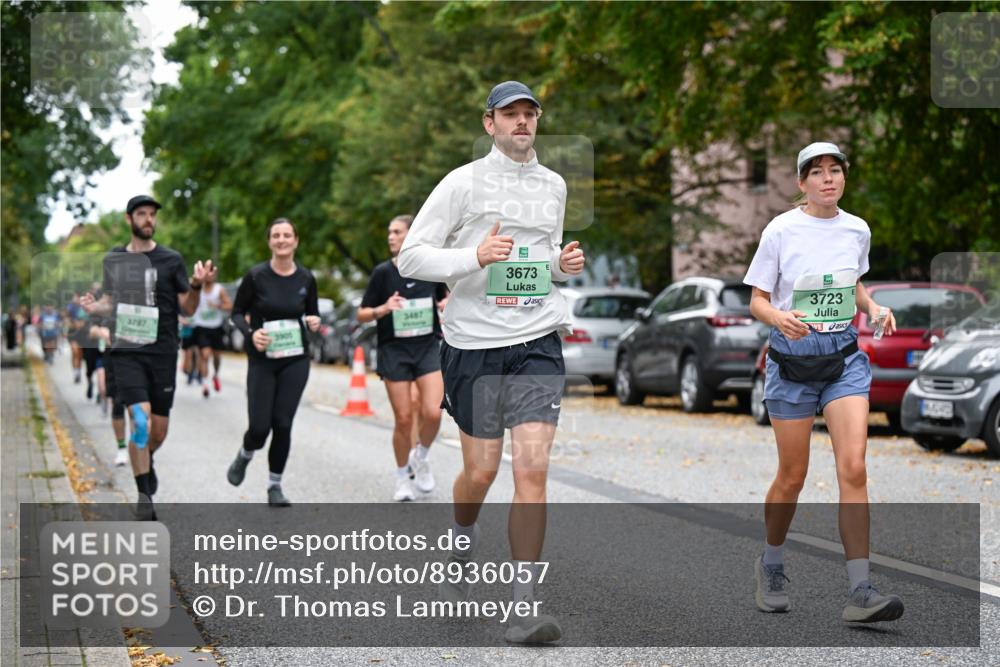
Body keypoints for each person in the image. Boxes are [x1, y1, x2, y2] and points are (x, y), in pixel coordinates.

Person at [397, 80, 585, 644]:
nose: (522, 122)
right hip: (473, 344)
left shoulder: (553, 185)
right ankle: (462, 533)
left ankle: (523, 607)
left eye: (530, 113)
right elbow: (412, 253)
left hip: (536, 340)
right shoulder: (462, 182)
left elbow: (540, 259)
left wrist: (561, 264)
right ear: (490, 124)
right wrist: (472, 255)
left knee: (531, 472)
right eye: (510, 115)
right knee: (480, 472)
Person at [743, 142, 904, 623]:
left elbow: (851, 283)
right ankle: (770, 564)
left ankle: (861, 590)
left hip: (843, 360)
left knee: (853, 468)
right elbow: (757, 299)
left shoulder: (857, 229)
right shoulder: (781, 229)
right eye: (817, 172)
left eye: (836, 171)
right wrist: (779, 318)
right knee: (792, 477)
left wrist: (873, 307)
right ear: (802, 183)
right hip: (791, 363)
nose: (828, 179)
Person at [81, 194, 214, 519]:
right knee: (138, 420)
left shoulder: (171, 260)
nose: (148, 219)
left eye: (152, 214)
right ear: (129, 219)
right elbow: (110, 302)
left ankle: (147, 459)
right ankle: (144, 497)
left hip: (163, 352)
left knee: (157, 431)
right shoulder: (115, 259)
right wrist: (95, 308)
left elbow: (187, 307)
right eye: (142, 214)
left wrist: (196, 285)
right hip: (127, 351)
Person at [226, 218, 320, 507]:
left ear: (295, 241)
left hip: (295, 359)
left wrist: (314, 322)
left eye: (287, 235)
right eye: (276, 235)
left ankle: (274, 486)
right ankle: (245, 453)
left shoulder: (306, 278)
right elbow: (237, 313)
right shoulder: (256, 277)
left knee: (282, 423)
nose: (281, 240)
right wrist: (251, 334)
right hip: (263, 360)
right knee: (259, 427)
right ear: (270, 241)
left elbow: (312, 315)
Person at [358, 214, 448, 501]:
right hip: (394, 349)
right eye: (389, 232)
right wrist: (383, 308)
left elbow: (443, 298)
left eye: (397, 232)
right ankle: (401, 479)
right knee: (405, 417)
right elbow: (362, 313)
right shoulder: (382, 273)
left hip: (426, 346)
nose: (390, 237)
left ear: (412, 235)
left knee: (433, 411)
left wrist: (446, 302)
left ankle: (420, 457)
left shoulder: (428, 269)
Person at [191, 273, 232, 398]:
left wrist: (218, 305)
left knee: (217, 357)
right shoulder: (197, 289)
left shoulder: (219, 290)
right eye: (206, 274)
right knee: (205, 355)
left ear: (214, 275)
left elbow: (230, 306)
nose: (208, 276)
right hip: (201, 327)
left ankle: (215, 375)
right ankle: (205, 384)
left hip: (216, 327)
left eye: (211, 273)